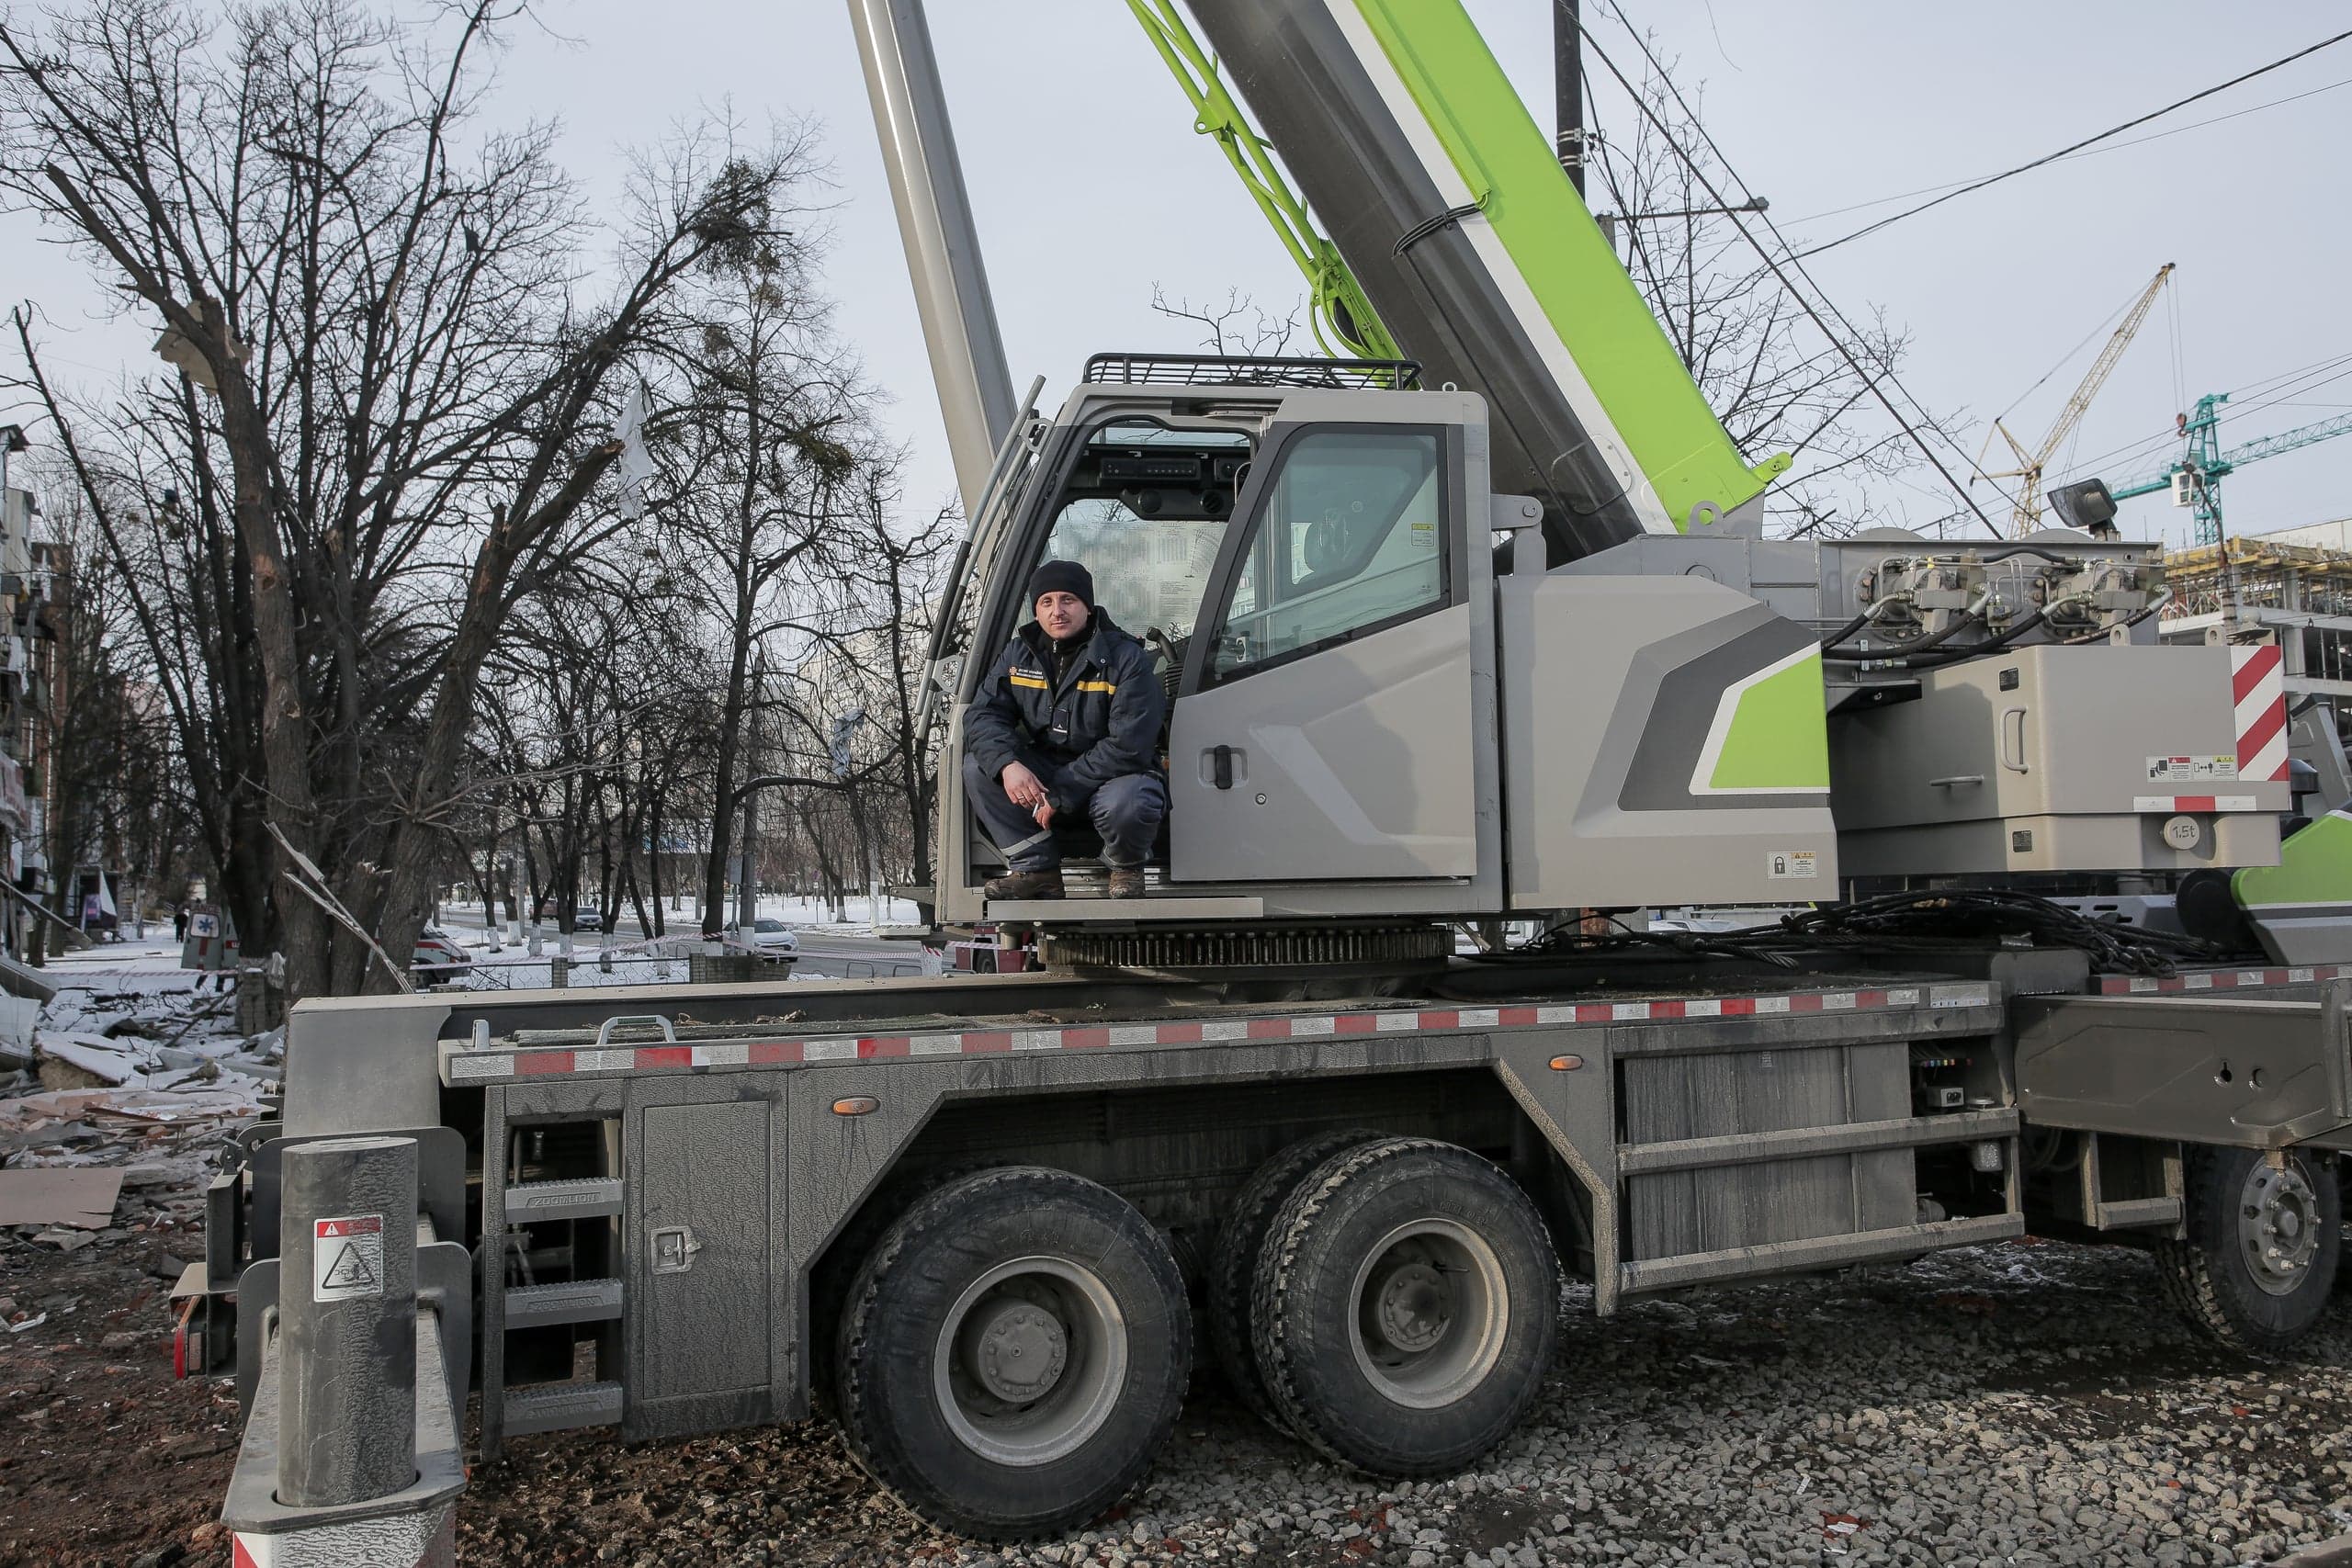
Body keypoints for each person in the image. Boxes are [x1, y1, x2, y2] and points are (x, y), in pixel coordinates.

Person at [961, 559, 1167, 900]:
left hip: (1113, 776)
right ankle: (1037, 869)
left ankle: (1126, 866)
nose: (1057, 611)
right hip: (1049, 770)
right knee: (978, 767)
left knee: (1131, 800)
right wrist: (1008, 764)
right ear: (1037, 611)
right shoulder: (1018, 655)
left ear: (1088, 606)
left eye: (1068, 600)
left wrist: (1060, 791)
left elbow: (1129, 745)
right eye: (1047, 602)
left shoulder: (1126, 658)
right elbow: (983, 715)